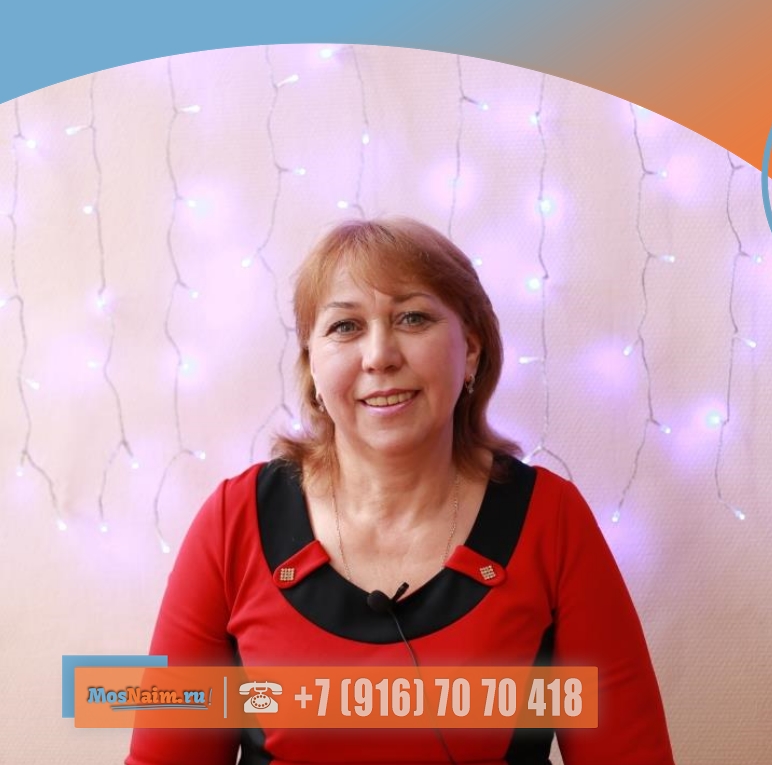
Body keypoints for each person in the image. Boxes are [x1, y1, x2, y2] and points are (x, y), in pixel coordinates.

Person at [127, 217, 674, 765]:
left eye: (413, 318)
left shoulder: (551, 520)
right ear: (312, 364)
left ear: (472, 350)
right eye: (345, 326)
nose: (379, 356)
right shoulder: (233, 521)